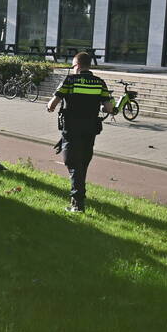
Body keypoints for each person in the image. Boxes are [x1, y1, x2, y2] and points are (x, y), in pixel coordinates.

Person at [46, 52, 114, 213]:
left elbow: (53, 103)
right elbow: (109, 108)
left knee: (72, 162)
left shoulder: (70, 80)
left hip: (72, 128)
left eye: (73, 66)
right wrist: (104, 107)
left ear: (76, 65)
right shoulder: (99, 83)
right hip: (90, 129)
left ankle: (78, 203)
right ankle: (77, 199)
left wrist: (49, 107)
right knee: (82, 163)